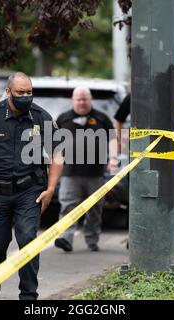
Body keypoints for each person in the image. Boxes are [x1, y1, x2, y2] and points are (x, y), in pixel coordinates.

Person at [0, 72, 63, 300]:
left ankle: (29, 298)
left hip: (29, 190)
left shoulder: (41, 117)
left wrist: (50, 189)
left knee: (28, 241)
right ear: (8, 92)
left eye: (29, 92)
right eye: (20, 93)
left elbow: (57, 154)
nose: (26, 96)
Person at [54, 86, 118, 253]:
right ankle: (65, 238)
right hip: (70, 173)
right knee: (68, 206)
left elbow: (112, 140)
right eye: (78, 99)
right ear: (73, 100)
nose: (82, 102)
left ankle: (92, 240)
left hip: (95, 174)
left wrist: (113, 158)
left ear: (90, 100)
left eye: (85, 99)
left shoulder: (102, 118)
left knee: (95, 209)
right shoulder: (63, 119)